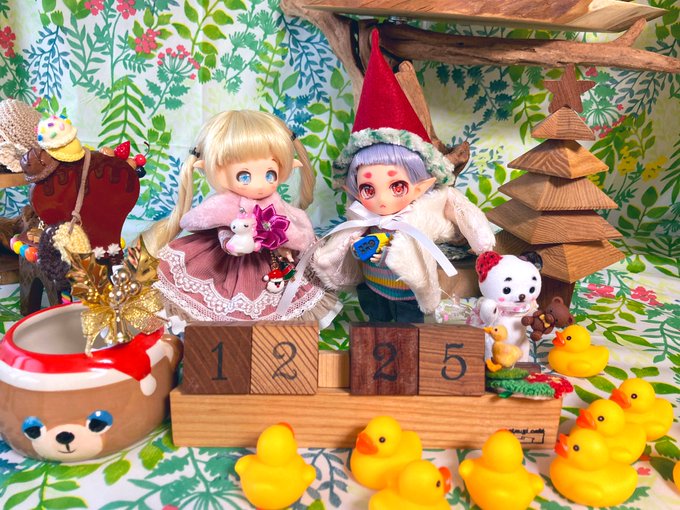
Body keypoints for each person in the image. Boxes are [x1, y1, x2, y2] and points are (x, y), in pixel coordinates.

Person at [308, 31, 495, 322]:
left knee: (410, 333)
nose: (382, 199)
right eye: (368, 188)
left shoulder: (428, 207)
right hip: (372, 288)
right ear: (354, 188)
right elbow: (345, 244)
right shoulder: (362, 216)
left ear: (420, 185)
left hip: (410, 291)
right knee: (376, 325)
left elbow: (463, 211)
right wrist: (345, 253)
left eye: (396, 186)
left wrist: (484, 249)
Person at [142, 110, 338, 325]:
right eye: (244, 176)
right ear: (214, 171)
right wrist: (230, 241)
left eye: (269, 174)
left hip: (270, 260)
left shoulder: (275, 203)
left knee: (285, 291)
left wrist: (286, 245)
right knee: (217, 295)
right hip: (227, 259)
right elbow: (199, 221)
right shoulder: (225, 204)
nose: (260, 185)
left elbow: (294, 228)